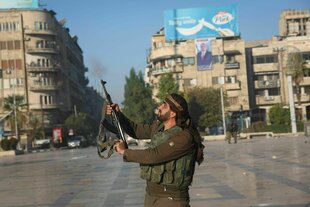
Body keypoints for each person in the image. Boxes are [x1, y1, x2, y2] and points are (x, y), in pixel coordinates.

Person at [106, 93, 204, 207]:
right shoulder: (159, 128)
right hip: (151, 195)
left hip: (171, 199)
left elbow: (154, 155)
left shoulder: (184, 137)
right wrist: (118, 115)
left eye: (165, 105)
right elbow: (136, 130)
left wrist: (125, 152)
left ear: (173, 113)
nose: (160, 107)